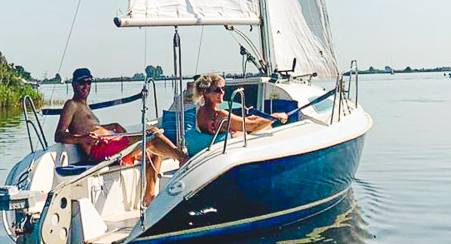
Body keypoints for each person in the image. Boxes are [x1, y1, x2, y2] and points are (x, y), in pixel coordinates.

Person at [55, 67, 185, 205]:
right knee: (153, 135)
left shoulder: (84, 106)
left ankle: (149, 196)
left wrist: (110, 126)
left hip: (111, 143)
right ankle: (184, 159)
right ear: (73, 84)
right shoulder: (71, 105)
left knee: (154, 152)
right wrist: (82, 139)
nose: (86, 86)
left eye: (89, 82)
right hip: (100, 149)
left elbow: (89, 127)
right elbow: (59, 134)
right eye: (82, 82)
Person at [193, 72, 289, 140]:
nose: (222, 92)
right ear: (206, 92)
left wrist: (252, 119)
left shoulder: (201, 111)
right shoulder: (219, 115)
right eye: (217, 90)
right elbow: (252, 126)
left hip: (228, 145)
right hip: (236, 148)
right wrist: (275, 116)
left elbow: (241, 123)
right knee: (268, 128)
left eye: (223, 88)